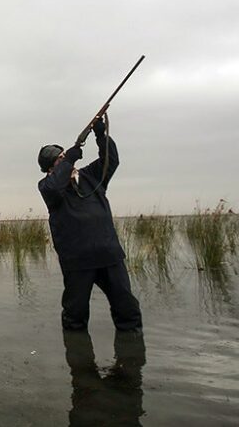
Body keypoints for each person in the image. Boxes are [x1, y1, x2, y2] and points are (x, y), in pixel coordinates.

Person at [37, 116, 142, 332]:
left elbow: (111, 160)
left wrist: (101, 135)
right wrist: (69, 161)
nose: (66, 160)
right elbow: (55, 185)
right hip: (77, 261)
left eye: (66, 156)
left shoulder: (91, 176)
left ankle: (131, 359)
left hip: (109, 255)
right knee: (75, 316)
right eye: (60, 159)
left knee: (127, 309)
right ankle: (79, 361)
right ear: (51, 168)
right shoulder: (48, 186)